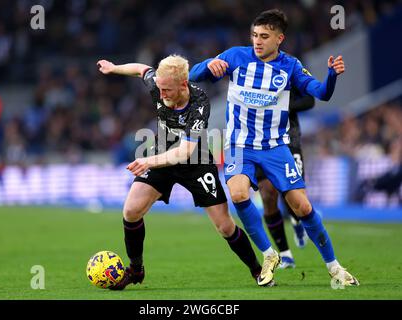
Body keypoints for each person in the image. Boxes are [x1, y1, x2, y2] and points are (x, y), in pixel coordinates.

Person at [189, 9, 359, 287]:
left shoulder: (290, 66)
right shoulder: (235, 56)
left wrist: (331, 76)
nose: (257, 40)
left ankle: (335, 267)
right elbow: (194, 74)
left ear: (279, 38)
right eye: (255, 35)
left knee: (302, 207)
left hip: (275, 147)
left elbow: (321, 93)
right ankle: (270, 255)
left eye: (264, 36)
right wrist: (209, 65)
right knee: (238, 193)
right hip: (239, 144)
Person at [97, 54, 266, 290]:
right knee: (131, 211)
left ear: (183, 85)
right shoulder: (157, 82)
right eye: (159, 88)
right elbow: (139, 68)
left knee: (225, 227)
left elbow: (184, 152)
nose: (161, 93)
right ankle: (135, 269)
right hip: (160, 156)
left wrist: (148, 161)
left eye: (167, 90)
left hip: (194, 162)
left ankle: (258, 270)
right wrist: (114, 68)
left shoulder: (199, 103)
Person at [256, 87, 313, 269]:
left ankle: (297, 221)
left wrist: (283, 106)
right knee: (267, 194)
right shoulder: (247, 69)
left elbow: (309, 100)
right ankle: (285, 254)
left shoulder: (288, 68)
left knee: (295, 195)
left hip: (289, 142)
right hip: (260, 143)